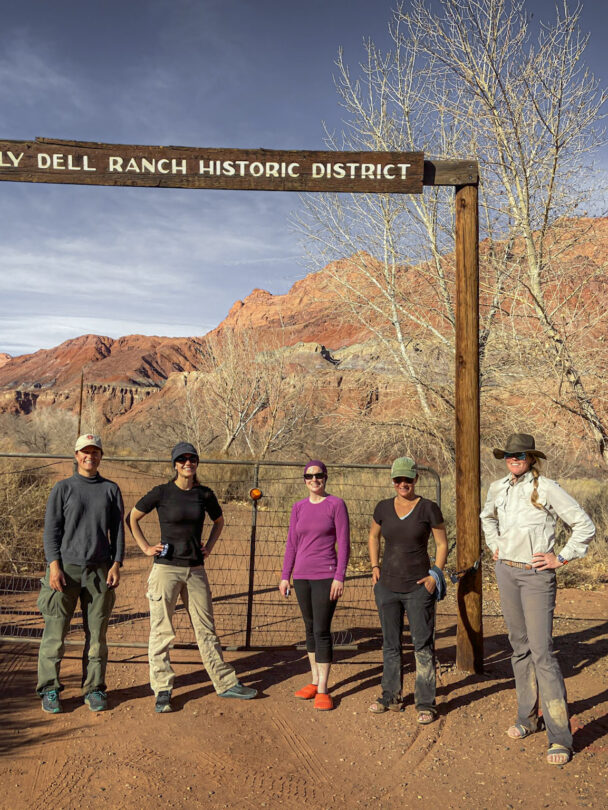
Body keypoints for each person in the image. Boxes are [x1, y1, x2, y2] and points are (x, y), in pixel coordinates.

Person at [480, 433, 595, 766]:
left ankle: (559, 736)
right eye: (508, 455)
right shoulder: (498, 488)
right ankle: (527, 718)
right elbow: (486, 517)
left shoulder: (547, 488)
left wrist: (561, 557)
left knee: (542, 652)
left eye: (519, 455)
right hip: (506, 571)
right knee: (519, 646)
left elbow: (582, 524)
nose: (513, 460)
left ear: (531, 457)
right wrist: (494, 546)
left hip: (536, 575)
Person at [128, 441, 257, 713]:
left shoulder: (205, 494)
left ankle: (224, 683)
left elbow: (219, 521)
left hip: (196, 569)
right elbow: (133, 518)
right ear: (175, 464)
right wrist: (145, 547)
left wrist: (209, 546)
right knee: (162, 631)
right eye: (182, 459)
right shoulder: (162, 493)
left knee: (206, 628)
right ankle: (162, 689)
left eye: (192, 459)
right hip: (166, 569)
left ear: (196, 463)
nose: (188, 463)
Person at [37, 433, 124, 714]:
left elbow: (118, 531)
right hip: (66, 571)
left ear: (101, 455)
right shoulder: (63, 488)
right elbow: (51, 531)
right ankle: (50, 689)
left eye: (95, 451)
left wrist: (116, 563)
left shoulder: (111, 489)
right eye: (85, 452)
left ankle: (94, 688)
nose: (90, 456)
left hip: (100, 570)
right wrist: (54, 566)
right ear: (76, 456)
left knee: (97, 636)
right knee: (55, 633)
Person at [368, 456, 448, 724]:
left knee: (422, 645)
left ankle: (426, 702)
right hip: (387, 587)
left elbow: (441, 544)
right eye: (398, 479)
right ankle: (390, 695)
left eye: (408, 479)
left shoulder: (428, 509)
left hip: (418, 588)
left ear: (416, 479)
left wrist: (434, 575)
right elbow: (373, 536)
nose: (403, 484)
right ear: (392, 481)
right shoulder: (383, 508)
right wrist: (374, 566)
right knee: (391, 644)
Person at [279, 460, 350, 710]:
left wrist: (340, 576)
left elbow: (344, 543)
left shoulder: (336, 505)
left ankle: (323, 689)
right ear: (304, 479)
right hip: (302, 576)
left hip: (326, 575)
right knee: (309, 628)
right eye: (309, 476)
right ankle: (314, 680)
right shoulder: (298, 507)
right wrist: (285, 575)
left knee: (321, 629)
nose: (314, 480)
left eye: (318, 475)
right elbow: (292, 543)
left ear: (325, 477)